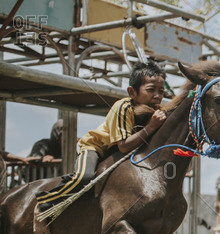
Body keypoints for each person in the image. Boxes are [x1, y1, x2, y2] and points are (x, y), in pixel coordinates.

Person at [35, 60, 168, 213]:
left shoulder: (158, 111)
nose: (157, 96)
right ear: (132, 92)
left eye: (161, 91)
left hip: (118, 154)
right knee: (84, 178)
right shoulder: (124, 107)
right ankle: (44, 203)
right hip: (96, 148)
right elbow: (124, 146)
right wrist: (150, 127)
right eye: (151, 90)